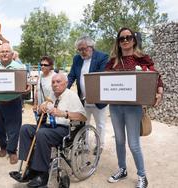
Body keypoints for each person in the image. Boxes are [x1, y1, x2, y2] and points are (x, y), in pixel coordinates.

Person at [105, 27, 163, 188]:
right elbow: (104, 81)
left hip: (133, 107)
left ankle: (142, 175)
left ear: (134, 40)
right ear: (118, 42)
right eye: (121, 38)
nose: (125, 41)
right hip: (115, 107)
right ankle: (122, 169)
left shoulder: (143, 58)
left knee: (133, 143)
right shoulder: (113, 61)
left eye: (128, 37)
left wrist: (159, 91)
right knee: (119, 140)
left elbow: (156, 76)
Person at [10, 73, 87, 187]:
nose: (55, 84)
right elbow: (43, 110)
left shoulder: (72, 96)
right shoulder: (52, 95)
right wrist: (41, 108)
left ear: (66, 83)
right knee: (25, 129)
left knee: (42, 133)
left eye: (58, 82)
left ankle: (42, 175)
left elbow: (83, 117)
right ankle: (30, 168)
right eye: (53, 82)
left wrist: (64, 113)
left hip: (63, 129)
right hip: (48, 126)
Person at [0, 43, 30, 164]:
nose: (4, 54)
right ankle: (3, 146)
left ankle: (12, 151)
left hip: (13, 102)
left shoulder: (19, 67)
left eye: (7, 51)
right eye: (2, 52)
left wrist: (26, 88)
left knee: (14, 128)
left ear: (12, 54)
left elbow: (25, 84)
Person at [67, 35, 109, 154]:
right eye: (79, 50)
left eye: (84, 49)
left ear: (91, 47)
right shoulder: (77, 59)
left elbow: (101, 77)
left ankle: (100, 145)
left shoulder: (102, 57)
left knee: (100, 124)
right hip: (83, 99)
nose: (82, 52)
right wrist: (65, 89)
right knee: (84, 122)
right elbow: (71, 76)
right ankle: (84, 145)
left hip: (98, 98)